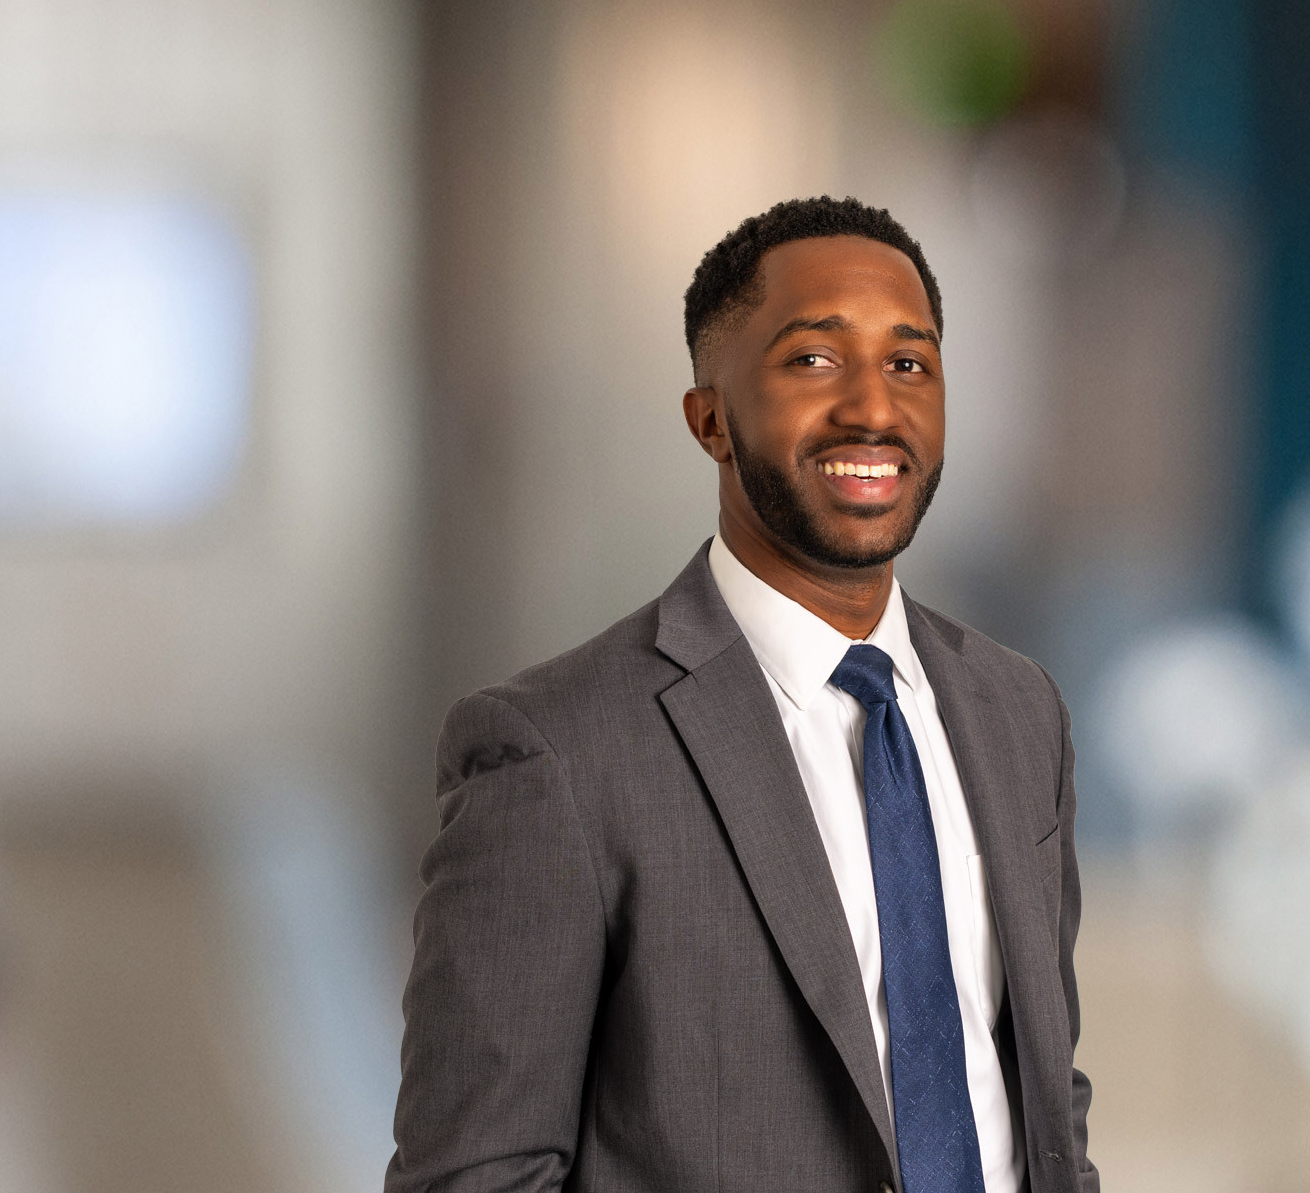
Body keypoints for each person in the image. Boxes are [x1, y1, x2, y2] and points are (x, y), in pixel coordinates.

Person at [386, 196, 1096, 1193]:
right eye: (812, 359)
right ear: (711, 418)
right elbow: (475, 1175)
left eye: (909, 363)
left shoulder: (1019, 715)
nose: (872, 407)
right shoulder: (556, 753)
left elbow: (1039, 1102)